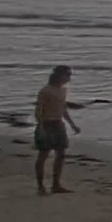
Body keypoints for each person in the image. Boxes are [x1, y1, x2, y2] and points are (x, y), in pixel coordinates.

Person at [32, 66, 81, 195]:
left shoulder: (63, 90)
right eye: (67, 75)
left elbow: (63, 109)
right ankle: (40, 186)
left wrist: (72, 124)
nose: (68, 78)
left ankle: (56, 184)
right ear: (58, 76)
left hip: (58, 124)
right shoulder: (45, 91)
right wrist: (41, 126)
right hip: (46, 123)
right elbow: (38, 110)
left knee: (61, 154)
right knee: (43, 155)